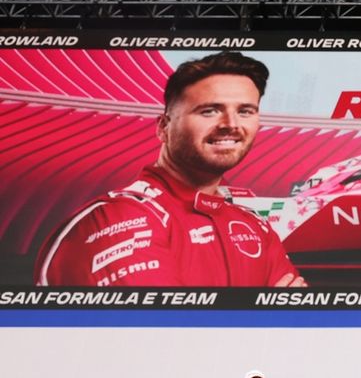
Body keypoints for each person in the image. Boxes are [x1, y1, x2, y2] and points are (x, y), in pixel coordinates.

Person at [34, 51, 307, 287]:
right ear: (164, 127)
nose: (231, 124)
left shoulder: (254, 226)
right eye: (209, 111)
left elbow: (301, 329)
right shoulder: (120, 216)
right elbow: (160, 336)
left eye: (246, 111)